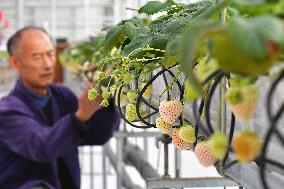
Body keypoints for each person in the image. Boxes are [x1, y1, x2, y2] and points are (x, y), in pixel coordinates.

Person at [0, 26, 120, 189]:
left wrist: (109, 100)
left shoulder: (61, 95)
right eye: (37, 57)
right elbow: (42, 146)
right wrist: (82, 114)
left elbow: (95, 135)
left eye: (50, 54)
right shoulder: (7, 111)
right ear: (15, 63)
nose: (48, 64)